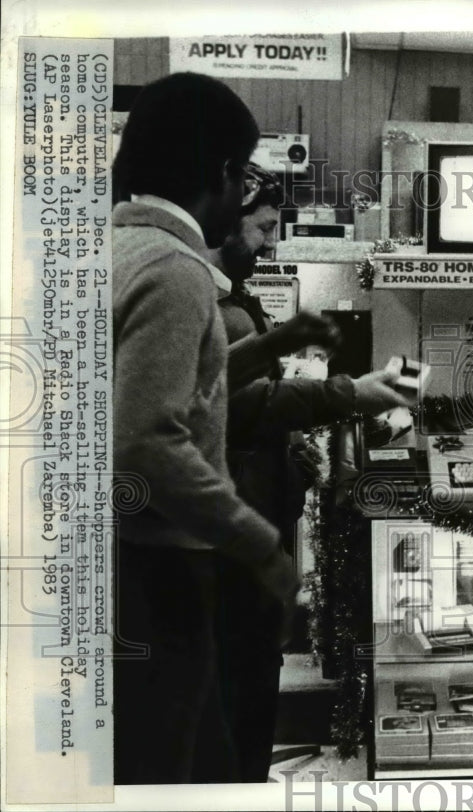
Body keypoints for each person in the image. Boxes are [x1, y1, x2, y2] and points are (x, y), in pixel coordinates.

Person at [111, 72, 294, 783]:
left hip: (121, 566)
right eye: (244, 174)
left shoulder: (115, 252)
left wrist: (271, 347)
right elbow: (146, 440)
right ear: (221, 172)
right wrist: (259, 542)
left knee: (196, 763)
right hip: (162, 571)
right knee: (175, 767)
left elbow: (182, 389)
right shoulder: (176, 269)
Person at [206, 163, 410, 782]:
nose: (270, 243)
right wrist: (349, 394)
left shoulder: (231, 301)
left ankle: (243, 777)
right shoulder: (214, 306)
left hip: (254, 522)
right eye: (264, 227)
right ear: (224, 220)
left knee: (250, 679)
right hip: (241, 535)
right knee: (242, 683)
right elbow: (246, 407)